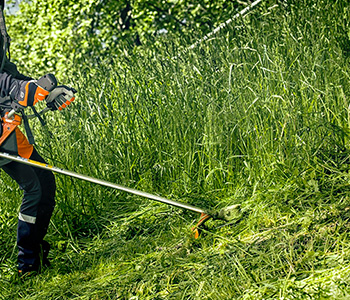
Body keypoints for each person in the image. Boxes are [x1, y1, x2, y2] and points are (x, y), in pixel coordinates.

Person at [0, 0, 76, 277]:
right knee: (36, 187)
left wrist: (40, 89)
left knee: (43, 182)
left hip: (4, 128)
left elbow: (4, 70)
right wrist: (19, 89)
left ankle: (32, 260)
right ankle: (28, 264)